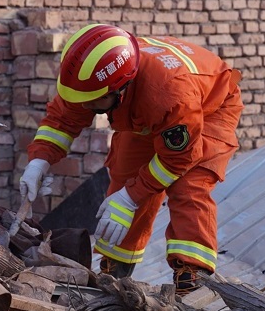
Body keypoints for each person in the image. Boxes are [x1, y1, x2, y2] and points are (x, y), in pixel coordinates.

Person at [19, 23, 243, 295]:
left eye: (93, 101)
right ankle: (117, 267)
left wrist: (131, 196)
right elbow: (63, 117)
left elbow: (179, 157)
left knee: (188, 186)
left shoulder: (170, 94)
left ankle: (192, 275)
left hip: (209, 110)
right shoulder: (93, 76)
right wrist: (39, 160)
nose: (86, 107)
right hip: (149, 111)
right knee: (126, 177)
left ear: (119, 89)